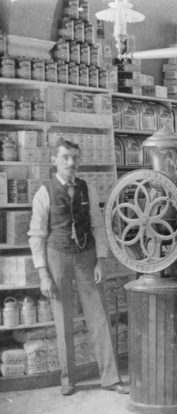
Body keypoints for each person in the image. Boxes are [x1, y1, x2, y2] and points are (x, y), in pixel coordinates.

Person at [28, 140, 128, 396]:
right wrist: (43, 274)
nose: (71, 163)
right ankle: (67, 379)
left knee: (99, 316)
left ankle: (110, 377)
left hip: (86, 255)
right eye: (65, 158)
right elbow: (37, 234)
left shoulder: (87, 189)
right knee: (63, 319)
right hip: (57, 256)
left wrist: (101, 260)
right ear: (54, 161)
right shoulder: (44, 192)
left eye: (75, 157)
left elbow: (97, 225)